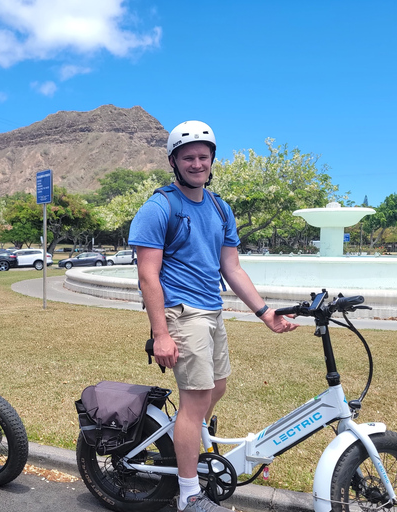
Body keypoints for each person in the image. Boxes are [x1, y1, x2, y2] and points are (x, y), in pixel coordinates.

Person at [129, 121, 298, 512]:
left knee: (217, 386)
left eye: (203, 156)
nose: (197, 163)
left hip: (211, 311)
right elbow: (147, 275)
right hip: (181, 313)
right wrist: (160, 334)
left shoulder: (221, 208)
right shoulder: (160, 207)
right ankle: (189, 495)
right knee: (196, 401)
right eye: (188, 157)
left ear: (212, 160)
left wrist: (265, 312)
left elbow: (232, 268)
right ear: (174, 161)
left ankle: (185, 442)